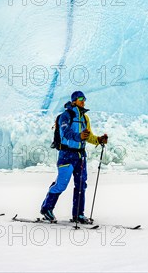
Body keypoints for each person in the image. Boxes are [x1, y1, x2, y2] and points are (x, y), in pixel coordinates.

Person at [40, 91, 108, 223]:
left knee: (81, 185)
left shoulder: (85, 118)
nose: (83, 101)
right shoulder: (65, 116)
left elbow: (88, 136)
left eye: (84, 98)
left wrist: (99, 140)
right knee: (61, 184)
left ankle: (78, 214)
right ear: (74, 101)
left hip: (80, 156)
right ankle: (46, 208)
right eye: (80, 99)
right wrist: (79, 136)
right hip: (67, 155)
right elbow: (66, 133)